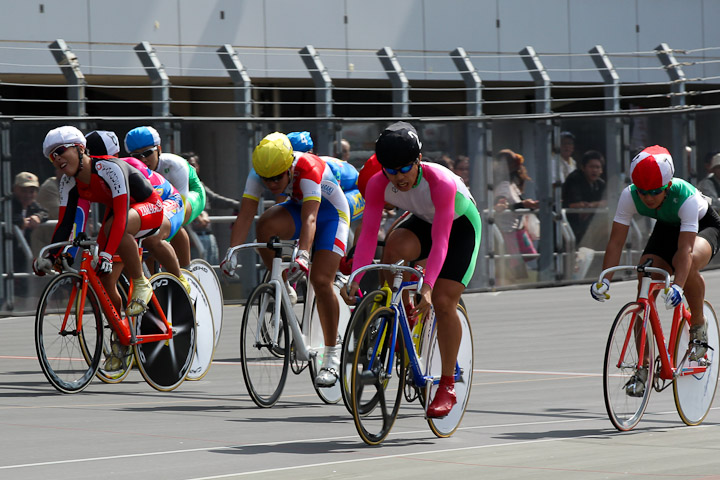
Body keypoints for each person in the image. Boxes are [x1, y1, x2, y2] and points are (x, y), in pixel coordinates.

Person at [342, 121, 482, 418]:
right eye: (390, 171)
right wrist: (355, 276)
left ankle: (447, 385)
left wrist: (428, 287)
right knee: (393, 245)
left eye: (405, 169)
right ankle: (396, 305)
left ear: (419, 160)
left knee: (444, 302)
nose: (398, 177)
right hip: (423, 220)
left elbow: (442, 240)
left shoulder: (440, 181)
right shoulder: (379, 182)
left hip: (459, 228)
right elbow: (368, 234)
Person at [221, 132, 350, 387]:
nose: (271, 184)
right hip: (299, 208)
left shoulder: (308, 167)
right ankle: (283, 285)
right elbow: (246, 214)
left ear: (289, 167)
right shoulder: (260, 172)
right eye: (266, 179)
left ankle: (332, 357)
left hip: (331, 214)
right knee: (266, 223)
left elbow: (311, 219)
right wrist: (231, 251)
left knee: (321, 281)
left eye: (277, 178)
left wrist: (303, 253)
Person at [591, 145, 720, 396]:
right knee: (644, 285)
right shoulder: (629, 196)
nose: (648, 198)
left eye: (655, 192)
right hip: (667, 226)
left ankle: (698, 326)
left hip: (703, 227)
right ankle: (644, 366)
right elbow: (616, 241)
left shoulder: (687, 198)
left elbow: (684, 250)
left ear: (668, 185)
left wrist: (679, 287)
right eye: (643, 193)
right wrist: (604, 279)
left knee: (688, 261)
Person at [34, 126, 166, 321]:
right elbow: (65, 224)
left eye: (61, 151)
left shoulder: (109, 168)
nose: (58, 159)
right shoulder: (68, 183)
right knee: (103, 280)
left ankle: (141, 282)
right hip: (119, 218)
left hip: (149, 207)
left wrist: (106, 255)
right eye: (53, 157)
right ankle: (121, 334)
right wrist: (51, 256)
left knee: (113, 231)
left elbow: (121, 214)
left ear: (79, 149)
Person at [84, 130, 189, 293]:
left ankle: (181, 282)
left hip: (167, 200)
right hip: (136, 209)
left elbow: (149, 202)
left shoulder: (131, 164)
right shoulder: (86, 177)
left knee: (152, 238)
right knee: (107, 279)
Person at [124, 126, 207, 267]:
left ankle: (186, 270)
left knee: (171, 221)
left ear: (159, 150)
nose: (143, 160)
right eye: (137, 156)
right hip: (161, 198)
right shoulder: (131, 168)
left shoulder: (175, 165)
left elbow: (179, 208)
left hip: (192, 194)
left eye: (148, 153)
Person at [182, 152, 240, 265]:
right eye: (187, 165)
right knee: (194, 272)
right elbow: (181, 204)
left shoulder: (199, 185)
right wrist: (199, 215)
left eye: (193, 164)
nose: (191, 168)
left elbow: (214, 199)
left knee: (212, 271)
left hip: (208, 235)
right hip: (191, 238)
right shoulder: (179, 185)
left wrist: (238, 205)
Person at [493, 149, 539, 283]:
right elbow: (502, 204)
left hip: (513, 231)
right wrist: (523, 204)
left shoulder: (511, 184)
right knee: (511, 270)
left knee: (516, 270)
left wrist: (525, 204)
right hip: (506, 232)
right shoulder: (503, 185)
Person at [562, 150, 608, 247]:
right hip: (567, 227)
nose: (594, 170)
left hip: (588, 228)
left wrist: (591, 206)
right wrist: (595, 205)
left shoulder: (600, 184)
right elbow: (575, 204)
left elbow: (608, 202)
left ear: (601, 170)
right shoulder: (574, 179)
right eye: (591, 167)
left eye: (597, 167)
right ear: (583, 167)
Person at [11, 172, 48, 272]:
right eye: (23, 191)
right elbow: (5, 215)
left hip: (22, 255)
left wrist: (38, 217)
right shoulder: (7, 204)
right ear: (15, 189)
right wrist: (19, 221)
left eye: (31, 191)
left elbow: (45, 213)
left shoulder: (32, 205)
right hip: (5, 254)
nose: (27, 195)